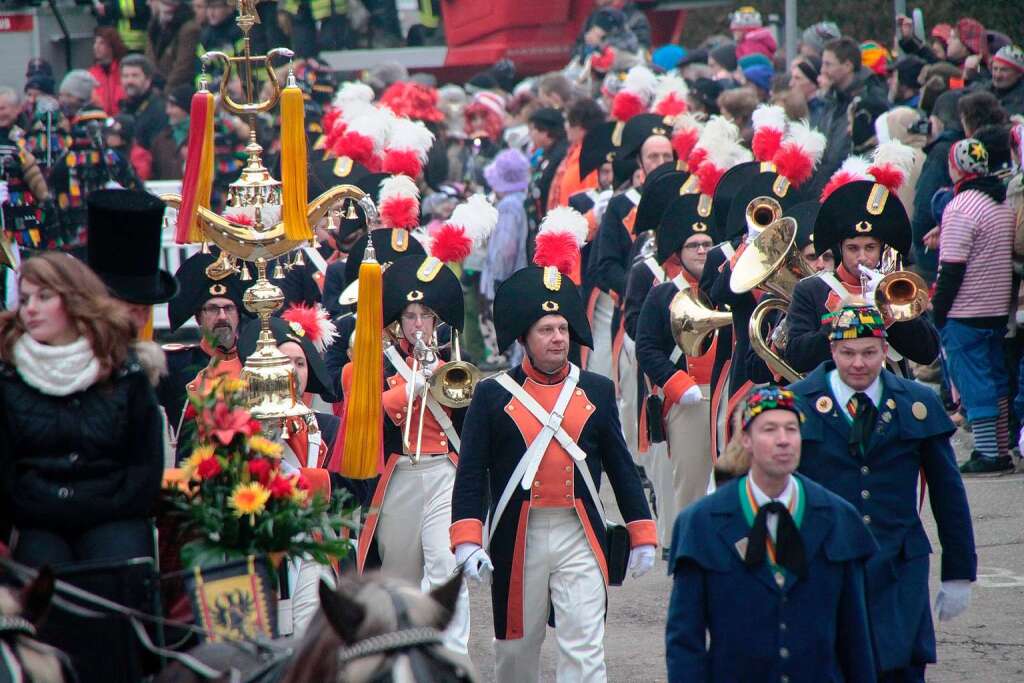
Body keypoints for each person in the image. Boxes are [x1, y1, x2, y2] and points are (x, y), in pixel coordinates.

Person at [451, 238, 656, 682]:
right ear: (524, 338)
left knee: (585, 647)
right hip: (516, 532)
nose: (558, 337)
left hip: (580, 530)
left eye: (563, 328)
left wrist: (642, 531)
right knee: (516, 653)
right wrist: (467, 537)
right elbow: (470, 474)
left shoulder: (596, 389)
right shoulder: (490, 395)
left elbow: (621, 468)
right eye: (546, 329)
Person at [790, 305, 976, 681]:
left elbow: (948, 494)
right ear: (832, 351)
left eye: (869, 353)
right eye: (848, 353)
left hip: (897, 565)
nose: (858, 363)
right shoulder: (796, 405)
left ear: (884, 349)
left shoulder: (916, 403)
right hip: (824, 566)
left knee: (900, 667)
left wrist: (959, 572)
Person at [0, 252, 164, 679]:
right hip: (39, 518)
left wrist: (110, 503)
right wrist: (35, 505)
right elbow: (4, 470)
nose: (30, 308)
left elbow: (145, 466)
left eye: (43, 296)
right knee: (42, 589)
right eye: (26, 298)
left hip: (113, 510)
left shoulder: (125, 372)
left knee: (118, 574)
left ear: (73, 301)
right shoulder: (8, 377)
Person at [666, 385, 877, 682]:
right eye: (769, 430)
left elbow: (855, 636)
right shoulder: (702, 523)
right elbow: (684, 640)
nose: (783, 441)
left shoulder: (837, 518)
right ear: (745, 439)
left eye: (792, 429)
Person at [344, 253, 471, 655]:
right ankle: (405, 657)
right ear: (399, 322)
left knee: (446, 571)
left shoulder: (450, 363)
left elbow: (465, 420)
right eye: (411, 316)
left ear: (437, 322)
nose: (419, 324)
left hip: (443, 474)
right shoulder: (374, 365)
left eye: (426, 316)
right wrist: (414, 382)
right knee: (401, 578)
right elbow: (369, 414)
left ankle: (452, 655)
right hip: (397, 477)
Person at [783, 172, 940, 377]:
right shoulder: (811, 288)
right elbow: (797, 356)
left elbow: (928, 353)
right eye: (853, 248)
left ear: (881, 249)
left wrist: (890, 311)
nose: (862, 257)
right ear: (841, 249)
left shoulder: (898, 286)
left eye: (870, 247)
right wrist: (840, 320)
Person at [635, 192, 718, 550]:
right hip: (688, 398)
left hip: (728, 394)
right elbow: (647, 348)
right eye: (693, 245)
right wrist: (676, 384)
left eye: (707, 243)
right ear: (678, 252)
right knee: (691, 485)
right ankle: (688, 551)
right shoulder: (663, 294)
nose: (701, 250)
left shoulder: (730, 288)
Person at [933, 139, 1016, 474]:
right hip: (997, 309)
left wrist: (939, 310)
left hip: (966, 310)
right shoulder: (1000, 203)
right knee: (994, 380)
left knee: (974, 383)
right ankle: (999, 447)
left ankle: (988, 453)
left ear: (956, 167)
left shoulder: (960, 206)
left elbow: (952, 266)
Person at [157, 249, 251, 457]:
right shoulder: (175, 364)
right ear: (198, 318)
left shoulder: (253, 363)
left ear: (238, 314)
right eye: (213, 309)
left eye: (228, 308)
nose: (222, 316)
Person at [808, 37, 888, 199]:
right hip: (825, 188)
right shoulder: (832, 99)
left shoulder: (869, 101)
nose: (822, 70)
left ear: (847, 66)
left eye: (828, 64)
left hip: (851, 190)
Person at [910, 89, 963, 282]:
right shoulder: (969, 146)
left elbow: (923, 205)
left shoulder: (941, 151)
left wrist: (919, 248)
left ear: (938, 121)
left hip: (933, 254)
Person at [0, 87, 52, 251]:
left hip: (20, 213)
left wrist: (22, 166)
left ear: (17, 109)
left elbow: (39, 184)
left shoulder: (27, 136)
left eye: (2, 108)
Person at [145, 0, 201, 92]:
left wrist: (166, 91)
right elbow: (150, 57)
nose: (148, 3)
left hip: (174, 89)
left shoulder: (188, 29)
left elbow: (183, 66)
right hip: (155, 87)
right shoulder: (155, 26)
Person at [118, 54, 169, 154]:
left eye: (135, 75)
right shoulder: (125, 107)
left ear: (148, 79)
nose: (129, 81)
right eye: (125, 76)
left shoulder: (159, 109)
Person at [89, 26, 127, 116]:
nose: (96, 47)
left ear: (112, 46)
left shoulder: (124, 72)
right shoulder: (91, 74)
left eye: (102, 43)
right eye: (95, 43)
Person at [988, 45, 1024, 117]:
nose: (997, 75)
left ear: (1019, 74)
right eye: (995, 69)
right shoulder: (983, 87)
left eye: (1004, 70)